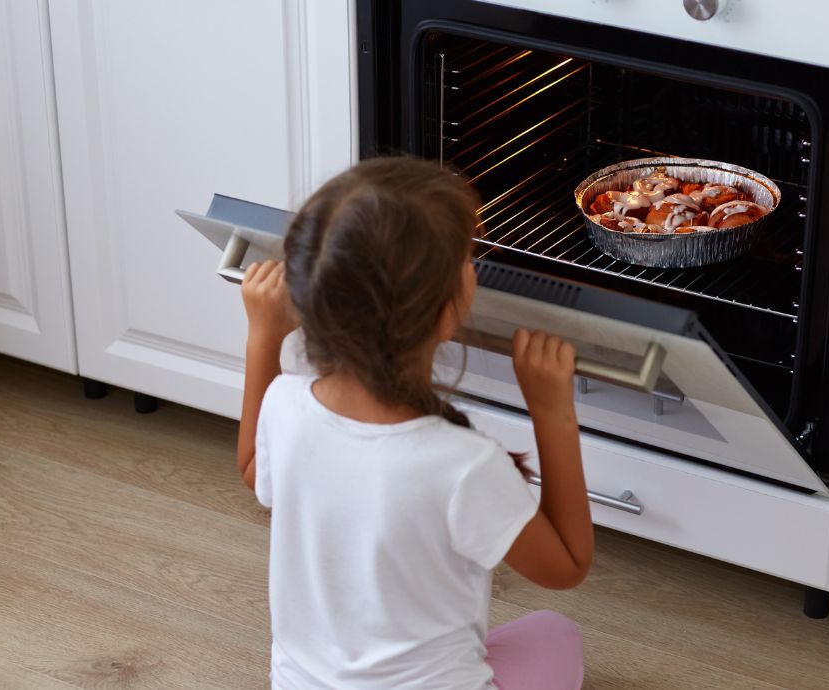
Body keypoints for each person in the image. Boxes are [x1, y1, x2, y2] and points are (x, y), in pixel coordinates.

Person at [236, 156, 595, 690]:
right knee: (557, 634)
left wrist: (263, 335)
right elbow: (566, 566)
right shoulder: (464, 465)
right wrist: (553, 412)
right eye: (467, 258)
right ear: (446, 313)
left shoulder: (285, 402)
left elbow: (252, 469)